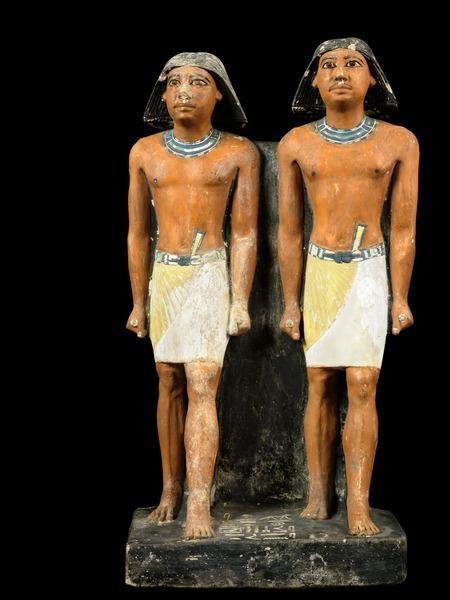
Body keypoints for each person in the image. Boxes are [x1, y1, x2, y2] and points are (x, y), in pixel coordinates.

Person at [277, 38, 419, 535]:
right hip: (321, 270)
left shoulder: (399, 142)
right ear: (314, 81)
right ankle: (319, 492)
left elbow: (404, 228)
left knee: (362, 384)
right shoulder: (296, 143)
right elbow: (289, 232)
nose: (340, 73)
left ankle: (358, 501)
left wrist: (400, 298)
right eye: (329, 66)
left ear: (371, 79)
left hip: (367, 271)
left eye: (353, 64)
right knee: (320, 382)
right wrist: (290, 302)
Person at [126, 52, 259, 540]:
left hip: (208, 273)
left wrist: (239, 299)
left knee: (201, 381)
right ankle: (170, 489)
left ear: (218, 93)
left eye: (198, 82)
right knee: (168, 382)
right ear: (162, 94)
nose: (185, 91)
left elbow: (244, 232)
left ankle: (199, 503)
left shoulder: (238, 152)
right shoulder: (144, 152)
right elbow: (137, 234)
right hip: (166, 274)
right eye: (175, 83)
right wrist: (138, 302)